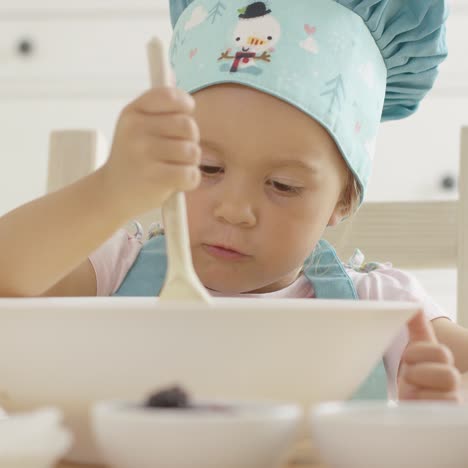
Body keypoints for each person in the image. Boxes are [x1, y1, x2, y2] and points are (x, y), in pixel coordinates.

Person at [0, 0, 467, 402]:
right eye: (207, 169)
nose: (235, 210)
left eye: (282, 185)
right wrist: (109, 190)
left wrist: (442, 403)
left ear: (342, 201)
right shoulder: (116, 268)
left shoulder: (382, 308)